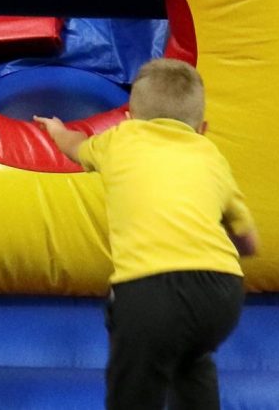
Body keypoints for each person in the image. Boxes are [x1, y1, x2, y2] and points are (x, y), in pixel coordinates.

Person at [34, 58, 258, 410]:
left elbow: (75, 147)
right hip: (221, 292)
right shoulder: (210, 154)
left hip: (150, 292)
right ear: (202, 128)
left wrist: (57, 129)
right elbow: (247, 238)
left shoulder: (121, 139)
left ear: (129, 119)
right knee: (192, 359)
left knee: (135, 388)